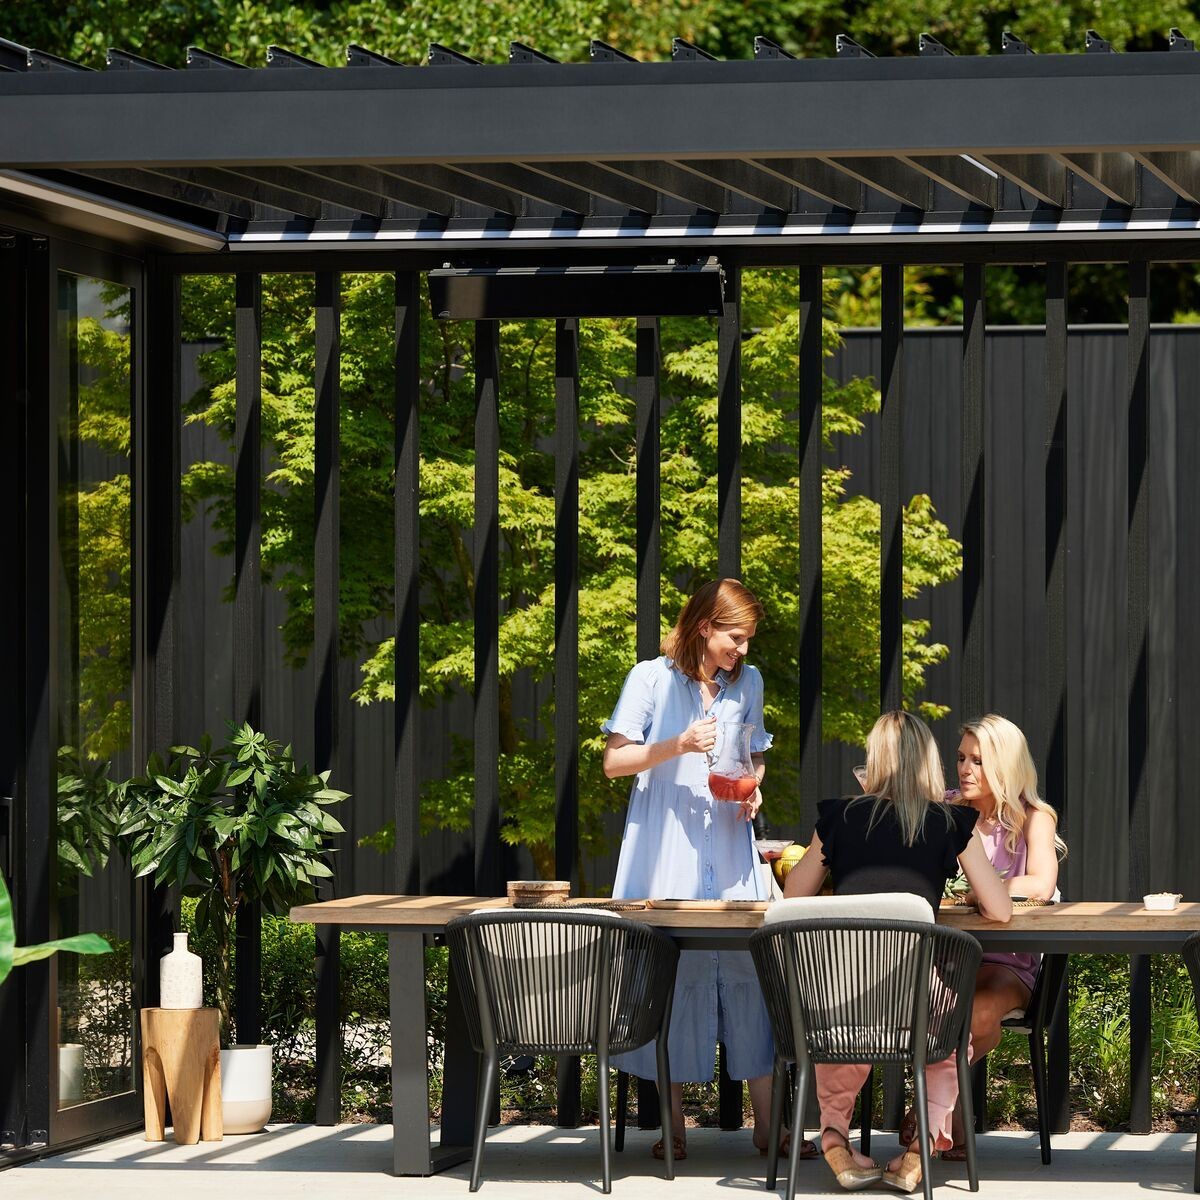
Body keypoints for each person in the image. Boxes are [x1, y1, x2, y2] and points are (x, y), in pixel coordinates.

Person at [602, 579, 807, 1160]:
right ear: (703, 628)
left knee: (749, 974)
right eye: (734, 638)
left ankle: (768, 1125)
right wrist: (678, 744)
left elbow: (753, 754)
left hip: (727, 843)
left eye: (747, 639)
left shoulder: (749, 682)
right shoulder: (650, 679)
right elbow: (615, 761)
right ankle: (673, 1127)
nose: (741, 650)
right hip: (666, 849)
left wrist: (754, 790)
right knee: (666, 979)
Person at [783, 710, 1012, 1193]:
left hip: (842, 988)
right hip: (914, 991)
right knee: (951, 1036)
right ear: (928, 761)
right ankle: (920, 1148)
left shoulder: (839, 817)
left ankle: (833, 1137)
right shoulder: (948, 821)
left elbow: (793, 899)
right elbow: (1000, 910)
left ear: (876, 760)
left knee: (841, 1021)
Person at [898, 713, 1067, 1159]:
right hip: (945, 957)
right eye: (960, 758)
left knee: (973, 1015)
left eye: (978, 760)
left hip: (1007, 962)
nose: (965, 769)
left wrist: (987, 891)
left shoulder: (1033, 818)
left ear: (1005, 766)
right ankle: (948, 1123)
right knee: (911, 1008)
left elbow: (1041, 884)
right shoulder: (947, 811)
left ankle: (928, 1108)